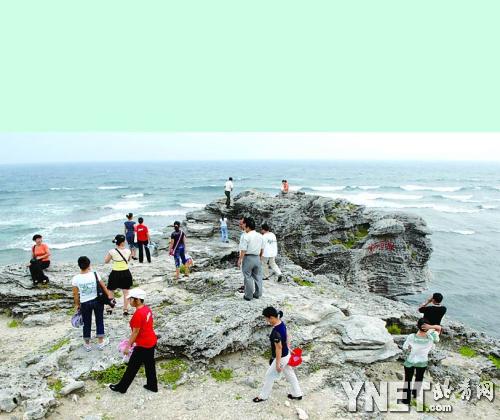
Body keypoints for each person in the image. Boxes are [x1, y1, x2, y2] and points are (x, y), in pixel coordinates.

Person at [109, 288, 158, 394]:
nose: (129, 301)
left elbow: (135, 332)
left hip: (143, 345)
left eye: (131, 299)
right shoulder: (147, 309)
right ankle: (152, 385)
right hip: (151, 340)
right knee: (150, 365)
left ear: (137, 300)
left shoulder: (138, 314)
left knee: (132, 367)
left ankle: (121, 388)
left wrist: (128, 346)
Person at [253, 307, 303, 403]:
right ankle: (297, 393)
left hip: (282, 357)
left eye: (266, 318)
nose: (266, 320)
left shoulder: (276, 333)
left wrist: (277, 364)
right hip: (286, 354)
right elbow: (288, 335)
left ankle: (263, 396)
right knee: (289, 373)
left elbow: (278, 348)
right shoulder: (280, 321)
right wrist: (288, 347)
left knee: (269, 375)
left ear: (271, 317)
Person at [72, 256, 113, 351]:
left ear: (79, 266)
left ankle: (87, 344)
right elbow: (103, 287)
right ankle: (100, 342)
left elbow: (75, 294)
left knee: (86, 323)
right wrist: (109, 298)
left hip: (84, 303)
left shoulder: (75, 278)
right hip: (98, 301)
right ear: (89, 265)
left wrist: (77, 305)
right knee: (99, 320)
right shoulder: (95, 274)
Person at [400, 318, 440, 405]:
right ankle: (415, 394)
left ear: (417, 326)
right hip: (423, 362)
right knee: (419, 378)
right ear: (428, 327)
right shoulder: (432, 337)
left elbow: (405, 347)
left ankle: (406, 400)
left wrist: (410, 348)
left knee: (408, 380)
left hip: (411, 361)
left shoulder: (411, 336)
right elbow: (439, 328)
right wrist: (431, 327)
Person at [104, 234, 133, 316]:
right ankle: (125, 309)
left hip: (115, 273)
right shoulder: (128, 251)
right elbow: (129, 259)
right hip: (126, 273)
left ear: (116, 242)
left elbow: (106, 261)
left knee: (110, 290)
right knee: (126, 292)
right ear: (123, 242)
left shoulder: (112, 251)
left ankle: (110, 307)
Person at [237, 217, 264, 301]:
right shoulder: (260, 235)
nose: (242, 225)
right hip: (257, 257)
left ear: (246, 225)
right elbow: (262, 248)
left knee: (248, 277)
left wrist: (240, 259)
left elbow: (243, 249)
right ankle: (258, 293)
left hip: (248, 257)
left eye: (243, 223)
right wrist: (260, 258)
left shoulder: (245, 236)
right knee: (258, 276)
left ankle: (248, 296)